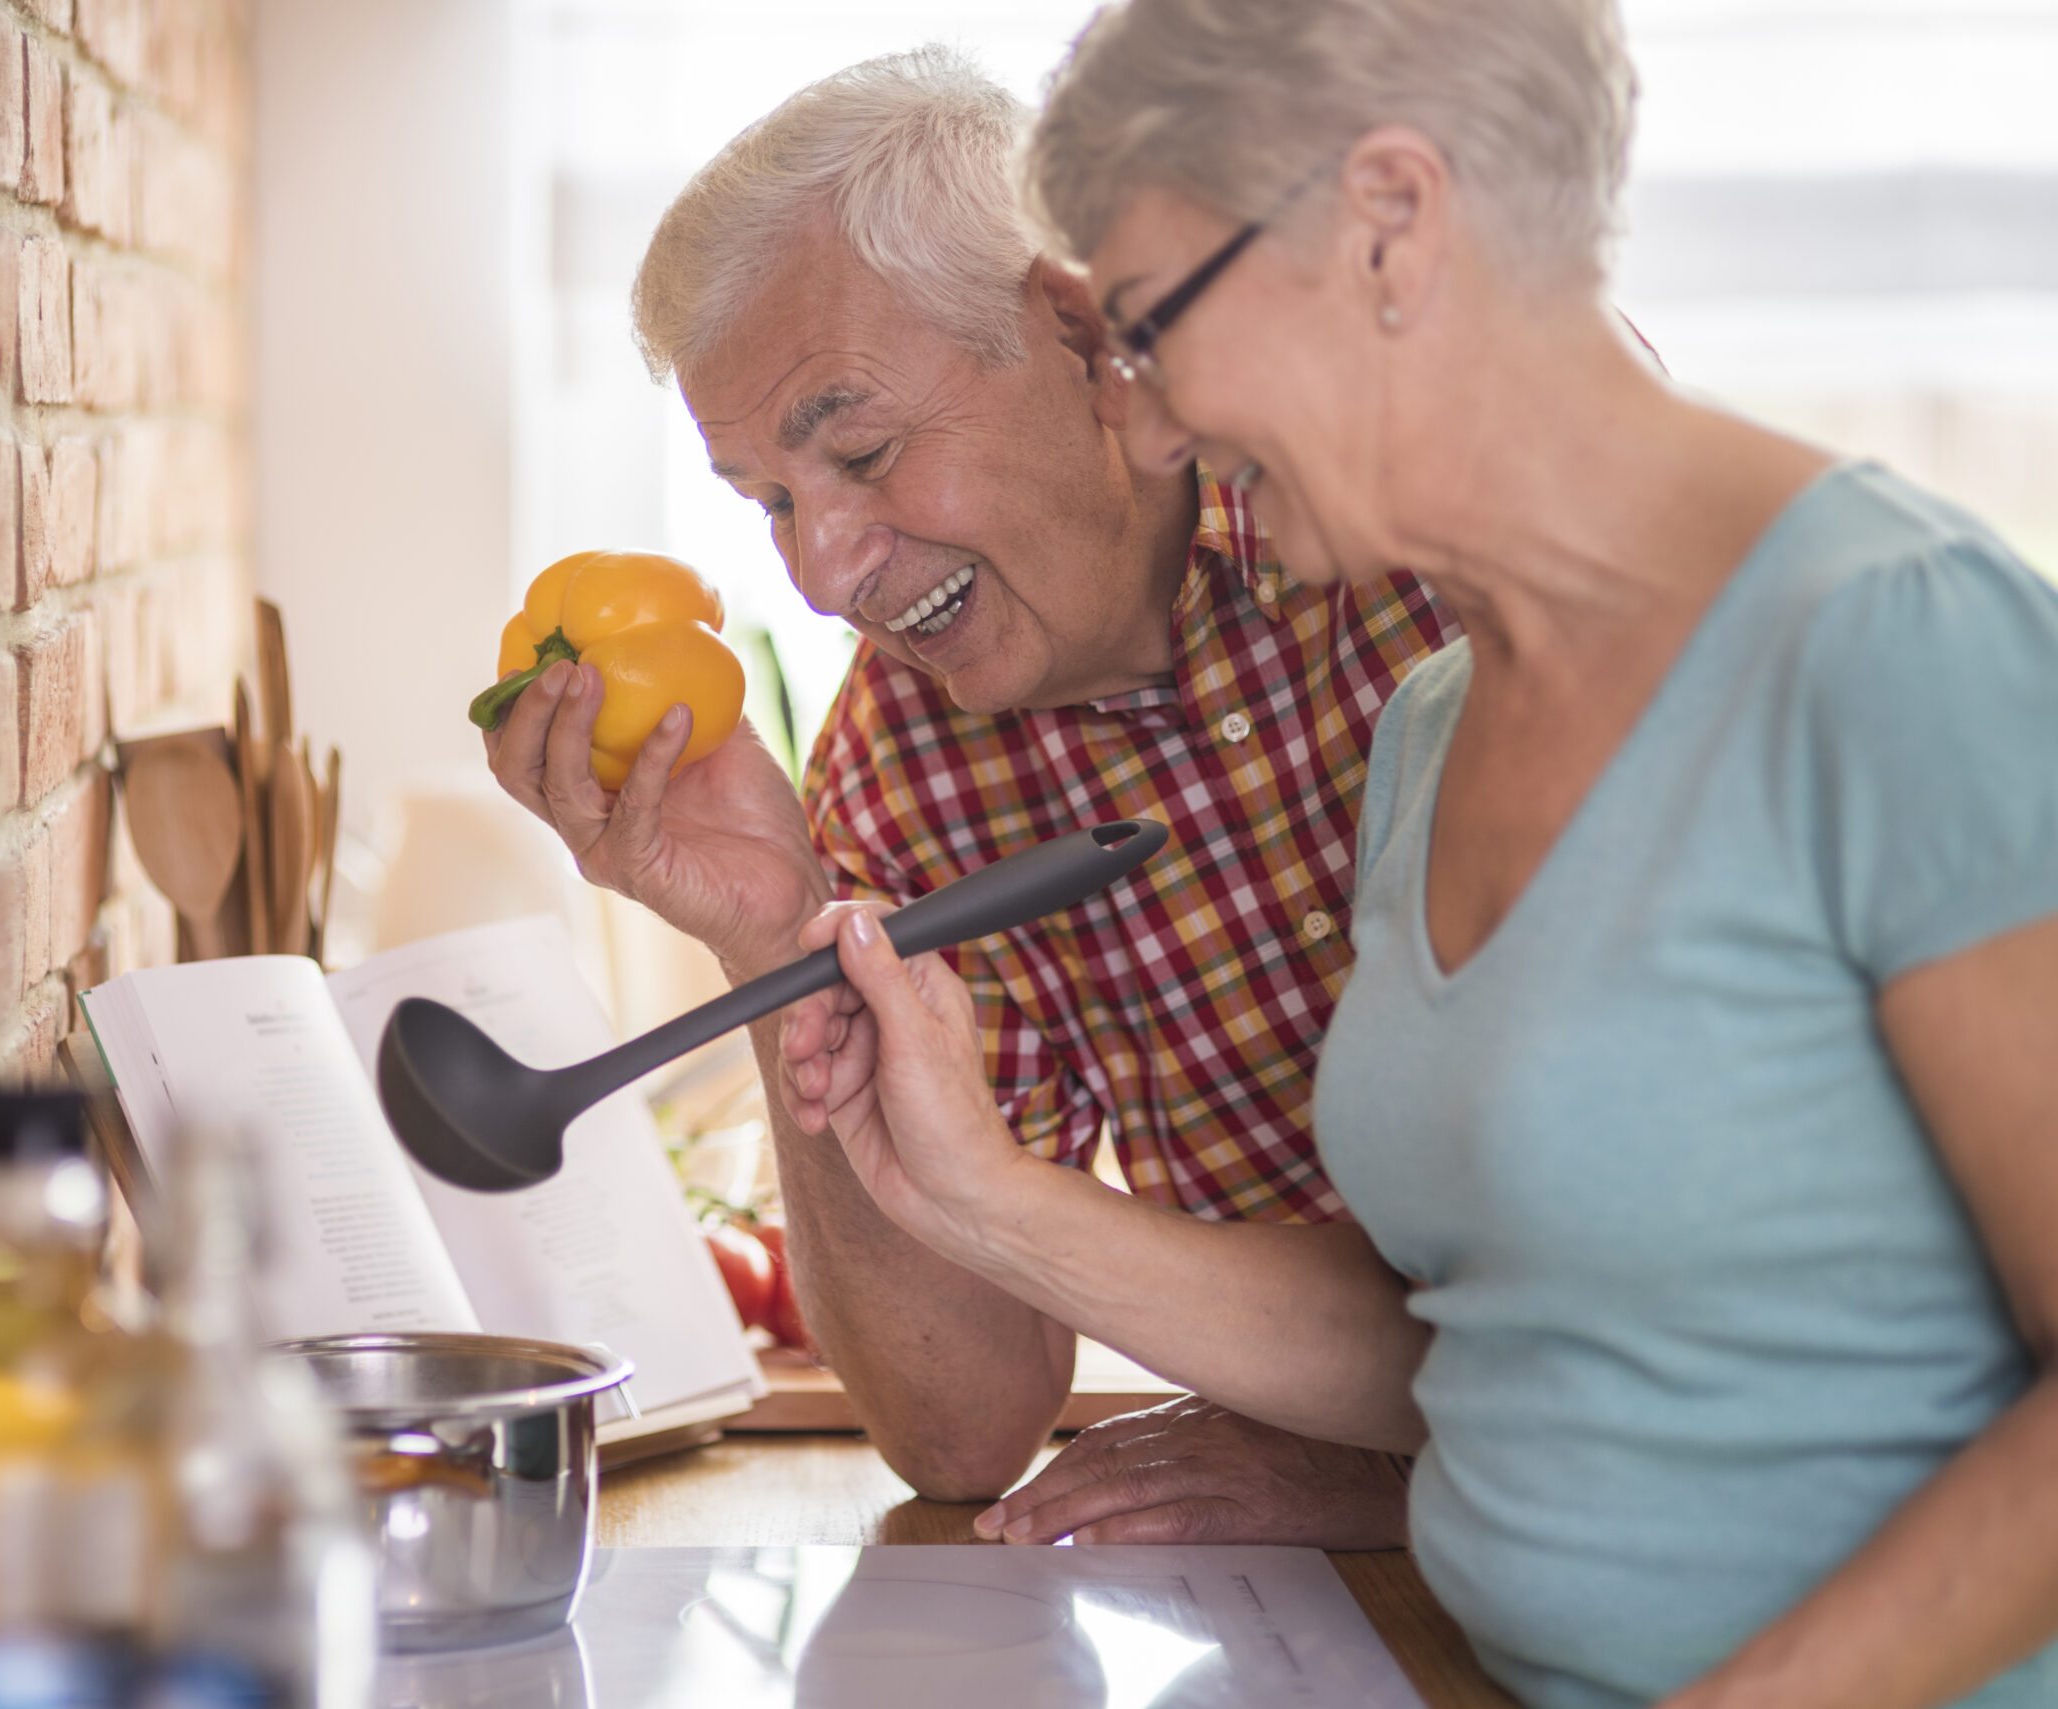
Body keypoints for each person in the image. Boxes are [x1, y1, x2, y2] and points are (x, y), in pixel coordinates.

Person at [781, 1, 2058, 1705]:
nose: (1147, 433)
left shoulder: (1898, 641)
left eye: (1152, 330)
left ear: (1389, 223)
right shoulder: (1437, 728)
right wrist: (981, 1193)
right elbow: (1480, 1345)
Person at [483, 46, 1456, 1543]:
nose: (819, 574)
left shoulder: (1426, 521)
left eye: (860, 450)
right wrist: (782, 944)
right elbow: (961, 1427)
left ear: (1074, 331)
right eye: (772, 503)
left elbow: (1661, 1264)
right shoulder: (902, 760)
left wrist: (1397, 1471)